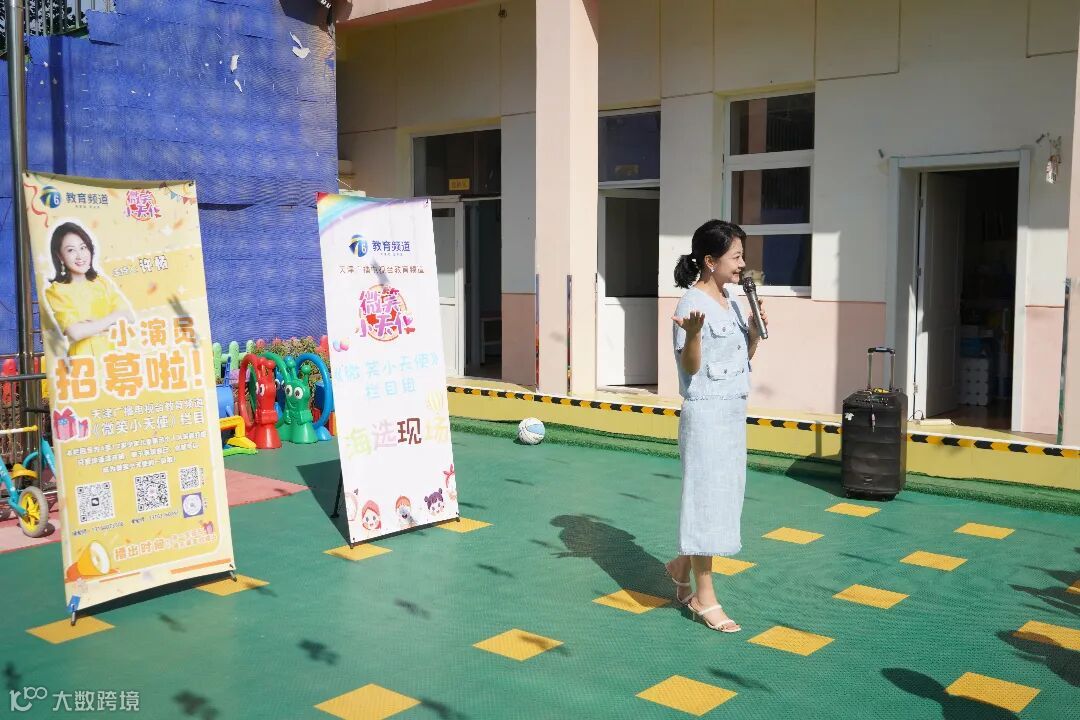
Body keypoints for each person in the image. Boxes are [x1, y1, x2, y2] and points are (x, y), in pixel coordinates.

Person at [664, 219, 768, 633]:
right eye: (736, 256)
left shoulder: (734, 300)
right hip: (706, 414)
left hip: (732, 412)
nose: (742, 264)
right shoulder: (690, 304)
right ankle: (704, 597)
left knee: (724, 498)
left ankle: (680, 566)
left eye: (742, 256)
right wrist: (692, 335)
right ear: (710, 261)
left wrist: (754, 331)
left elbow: (744, 356)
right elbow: (691, 368)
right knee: (706, 502)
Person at [43, 222, 133, 358]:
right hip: (84, 362)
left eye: (83, 247)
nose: (80, 256)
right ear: (60, 256)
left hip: (114, 358)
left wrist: (92, 326)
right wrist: (112, 319)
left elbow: (129, 316)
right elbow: (76, 332)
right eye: (71, 250)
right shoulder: (57, 291)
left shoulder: (101, 282)